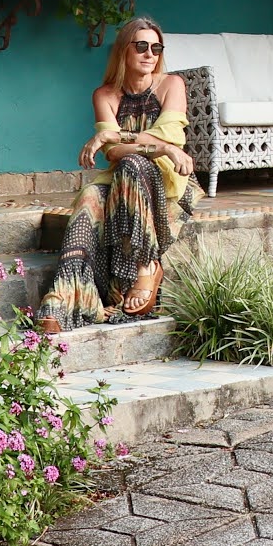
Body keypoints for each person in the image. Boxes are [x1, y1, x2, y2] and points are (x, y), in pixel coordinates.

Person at [36, 17, 198, 331]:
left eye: (156, 47)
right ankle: (64, 296)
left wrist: (116, 137)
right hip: (120, 181)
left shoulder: (171, 85)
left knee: (133, 164)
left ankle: (145, 266)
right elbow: (114, 154)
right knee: (89, 197)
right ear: (123, 51)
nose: (149, 53)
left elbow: (170, 139)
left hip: (166, 184)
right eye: (141, 46)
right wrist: (157, 146)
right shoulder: (105, 95)